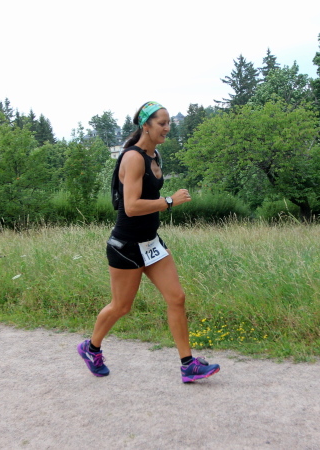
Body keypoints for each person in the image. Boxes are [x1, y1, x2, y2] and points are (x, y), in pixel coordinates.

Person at [77, 101, 220, 383]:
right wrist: (169, 201)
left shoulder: (154, 155)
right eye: (162, 123)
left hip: (151, 243)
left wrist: (165, 203)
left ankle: (188, 365)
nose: (167, 128)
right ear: (146, 125)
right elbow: (131, 207)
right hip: (126, 246)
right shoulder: (133, 158)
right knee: (121, 307)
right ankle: (90, 348)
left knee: (176, 298)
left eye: (169, 123)